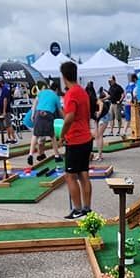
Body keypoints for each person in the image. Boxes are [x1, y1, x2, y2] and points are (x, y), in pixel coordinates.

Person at [59, 60, 92, 218]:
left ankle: (78, 210)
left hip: (75, 139)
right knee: (84, 174)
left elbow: (69, 118)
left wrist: (62, 136)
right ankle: (87, 208)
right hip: (86, 138)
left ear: (64, 76)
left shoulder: (71, 94)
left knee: (70, 176)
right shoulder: (82, 92)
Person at [28, 79, 63, 165]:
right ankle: (57, 156)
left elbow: (35, 103)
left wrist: (33, 114)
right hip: (48, 114)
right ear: (56, 89)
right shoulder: (55, 96)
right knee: (52, 136)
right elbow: (60, 111)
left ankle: (30, 154)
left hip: (38, 113)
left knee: (35, 135)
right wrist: (65, 119)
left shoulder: (42, 92)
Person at [93, 87, 111, 161]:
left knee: (99, 136)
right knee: (96, 136)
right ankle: (99, 154)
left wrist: (99, 112)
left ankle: (100, 155)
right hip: (98, 117)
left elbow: (101, 103)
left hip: (104, 116)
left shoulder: (94, 99)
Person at [0, 77, 17, 142]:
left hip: (6, 110)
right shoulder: (2, 89)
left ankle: (14, 138)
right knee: (6, 125)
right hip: (3, 110)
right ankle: (9, 138)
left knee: (8, 124)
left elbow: (5, 100)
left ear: (0, 82)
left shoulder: (5, 89)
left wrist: (4, 111)